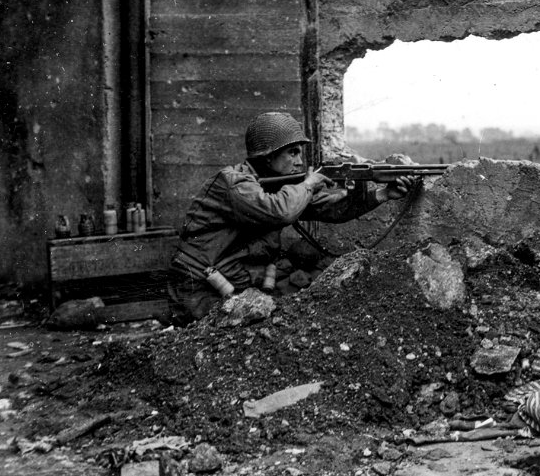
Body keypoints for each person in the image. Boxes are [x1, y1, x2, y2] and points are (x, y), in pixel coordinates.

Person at [167, 111, 414, 324]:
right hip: (199, 289)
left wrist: (382, 193)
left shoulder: (277, 186)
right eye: (292, 153)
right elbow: (280, 211)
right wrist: (309, 184)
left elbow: (329, 211)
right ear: (268, 157)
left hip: (231, 286)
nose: (299, 162)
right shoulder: (233, 184)